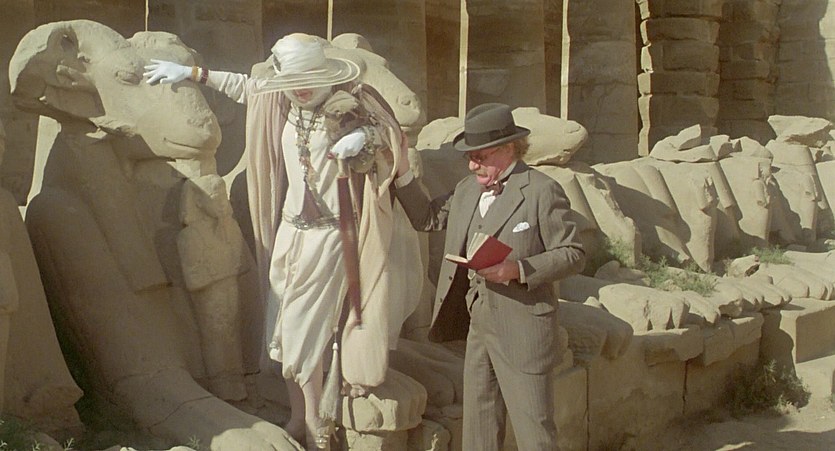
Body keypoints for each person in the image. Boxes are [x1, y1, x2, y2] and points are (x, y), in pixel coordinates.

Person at [144, 33, 413, 449]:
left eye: (306, 80)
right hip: (290, 232)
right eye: (291, 81)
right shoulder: (281, 102)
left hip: (331, 235)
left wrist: (366, 139)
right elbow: (244, 86)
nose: (299, 89)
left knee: (304, 329)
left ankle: (317, 423)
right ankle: (299, 416)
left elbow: (391, 139)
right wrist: (191, 73)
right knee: (285, 330)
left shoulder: (350, 106)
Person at [393, 103, 586, 450]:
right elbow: (427, 218)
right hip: (478, 327)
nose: (472, 165)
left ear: (508, 148)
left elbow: (573, 253)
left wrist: (518, 269)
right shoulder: (467, 189)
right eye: (469, 157)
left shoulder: (541, 190)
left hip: (524, 330)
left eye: (480, 157)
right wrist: (402, 171)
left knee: (535, 434)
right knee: (479, 429)